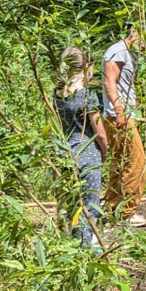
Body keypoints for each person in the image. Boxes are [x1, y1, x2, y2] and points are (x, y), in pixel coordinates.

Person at [102, 22, 146, 226]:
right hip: (118, 116)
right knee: (136, 162)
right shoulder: (118, 51)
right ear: (136, 33)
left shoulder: (130, 53)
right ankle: (127, 212)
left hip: (124, 114)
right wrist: (120, 112)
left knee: (121, 162)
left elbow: (125, 83)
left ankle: (112, 208)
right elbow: (110, 81)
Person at [55, 47, 109, 252]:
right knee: (89, 205)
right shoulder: (86, 95)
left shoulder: (58, 92)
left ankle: (73, 245)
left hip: (65, 152)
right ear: (88, 66)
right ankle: (86, 247)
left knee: (72, 204)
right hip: (87, 153)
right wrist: (105, 151)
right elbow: (99, 132)